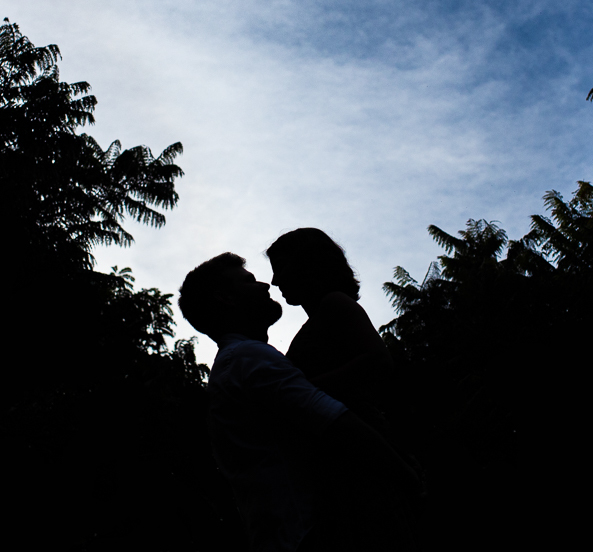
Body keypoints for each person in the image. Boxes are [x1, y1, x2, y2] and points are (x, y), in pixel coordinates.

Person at [178, 253, 420, 552]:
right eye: (250, 281)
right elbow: (336, 423)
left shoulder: (236, 365)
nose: (267, 284)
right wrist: (407, 477)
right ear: (226, 298)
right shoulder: (248, 358)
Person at [265, 228, 393, 427]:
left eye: (281, 267)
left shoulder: (335, 304)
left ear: (307, 264)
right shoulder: (325, 312)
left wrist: (299, 391)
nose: (275, 280)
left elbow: (378, 360)